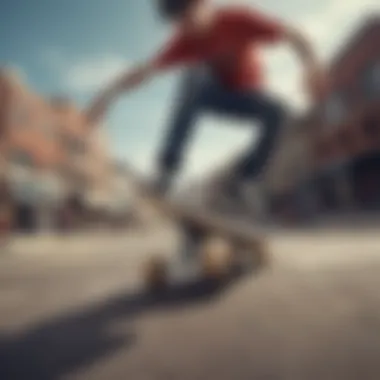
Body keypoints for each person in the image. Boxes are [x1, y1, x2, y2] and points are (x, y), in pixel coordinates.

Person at [86, 0, 328, 257]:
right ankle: (167, 171)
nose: (187, 27)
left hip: (248, 97)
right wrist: (107, 94)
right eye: (179, 23)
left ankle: (246, 182)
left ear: (204, 4)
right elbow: (143, 72)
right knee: (192, 75)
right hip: (212, 96)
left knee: (279, 111)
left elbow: (295, 35)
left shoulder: (238, 19)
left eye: (190, 17)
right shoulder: (182, 42)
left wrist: (311, 65)